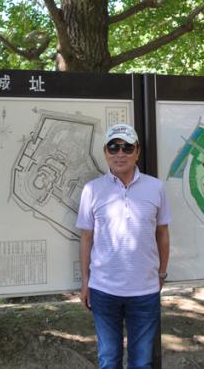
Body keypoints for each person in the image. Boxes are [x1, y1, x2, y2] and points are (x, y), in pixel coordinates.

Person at [76, 123, 171, 369]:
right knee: (109, 360)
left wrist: (162, 273)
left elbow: (162, 233)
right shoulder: (92, 190)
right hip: (103, 290)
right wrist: (85, 281)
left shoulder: (156, 187)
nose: (120, 153)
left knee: (142, 362)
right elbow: (86, 237)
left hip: (144, 291)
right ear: (105, 152)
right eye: (113, 147)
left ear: (137, 152)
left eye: (127, 148)